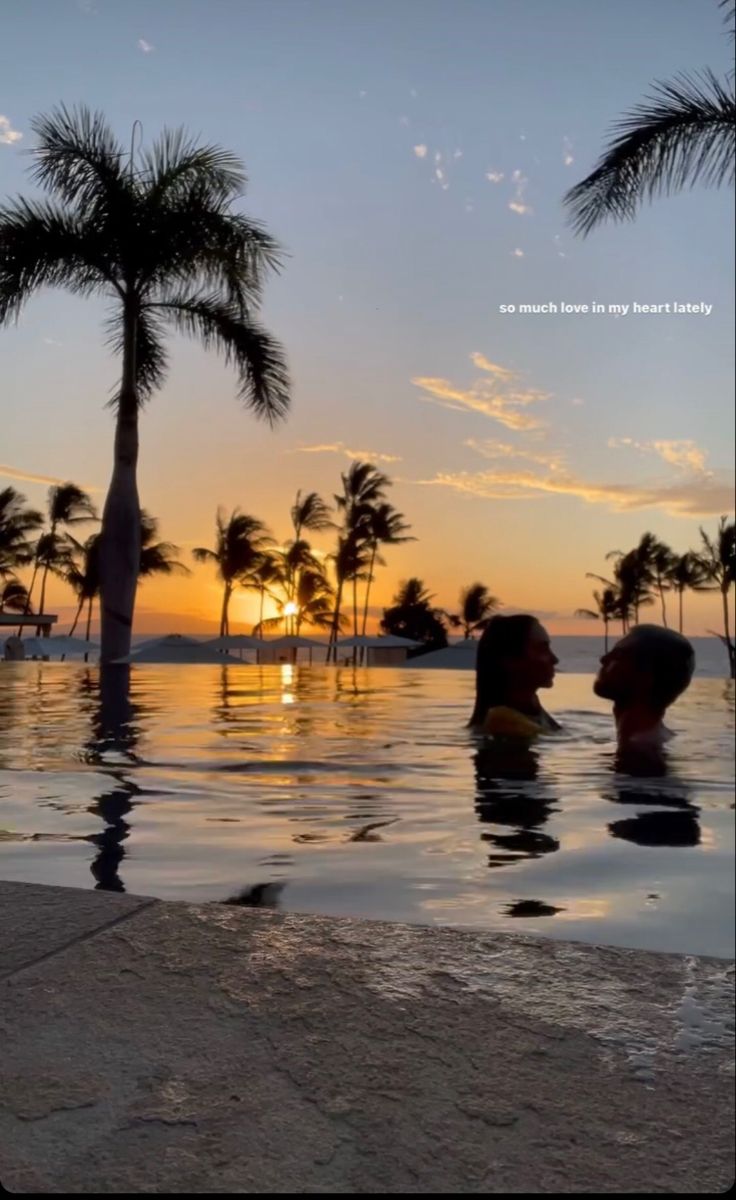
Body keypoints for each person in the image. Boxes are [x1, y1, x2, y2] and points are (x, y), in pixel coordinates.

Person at [593, 625, 695, 766]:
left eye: (619, 655)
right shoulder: (655, 740)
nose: (604, 659)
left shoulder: (638, 756)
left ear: (646, 675)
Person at [469, 614, 560, 735]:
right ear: (510, 660)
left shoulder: (529, 708)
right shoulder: (505, 722)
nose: (554, 659)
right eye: (542, 649)